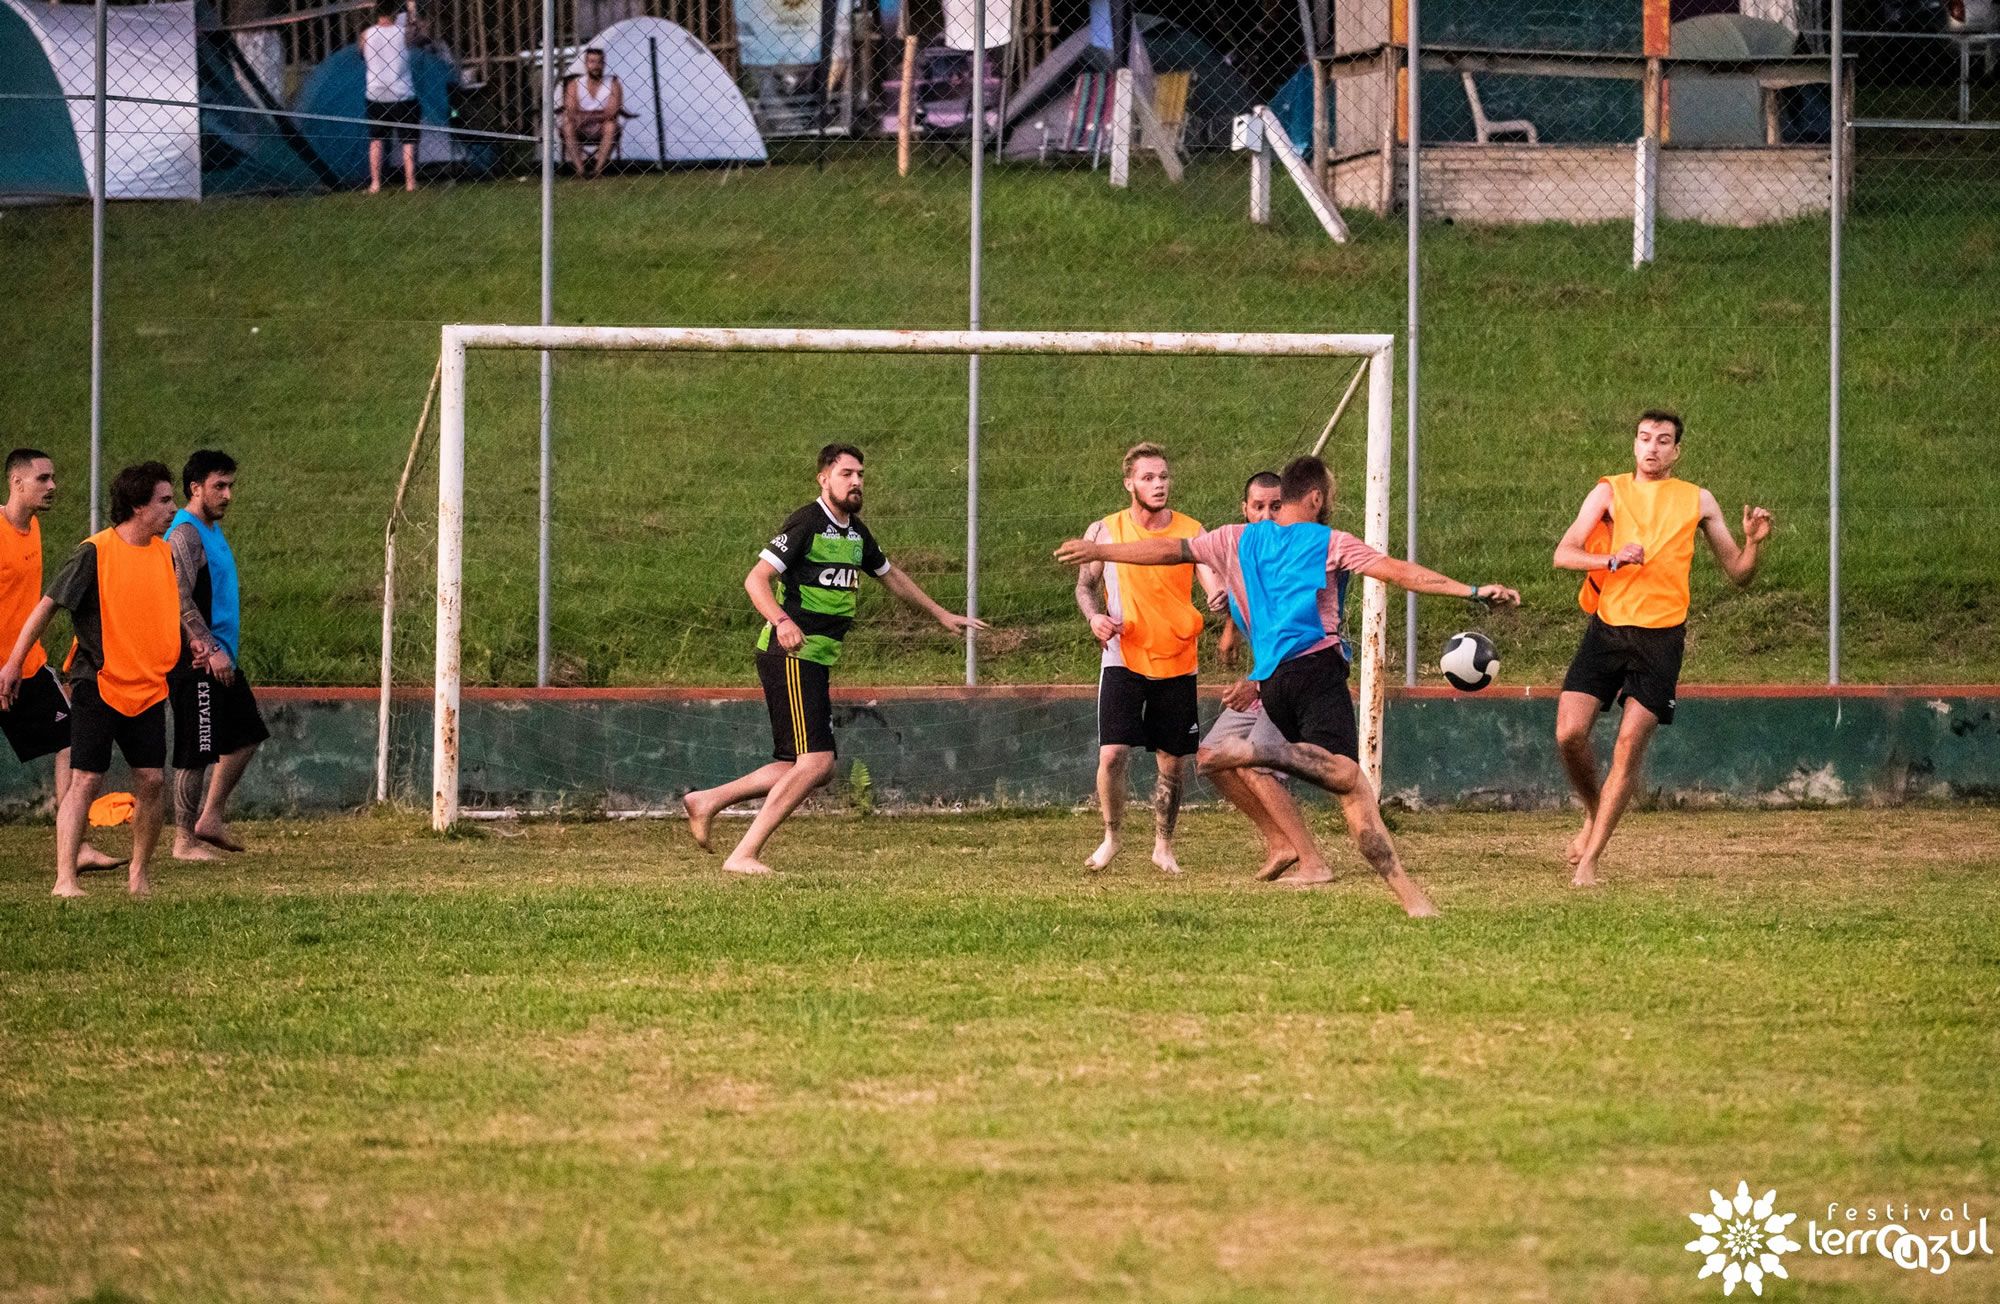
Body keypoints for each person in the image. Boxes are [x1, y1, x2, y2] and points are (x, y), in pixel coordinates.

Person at [1057, 455, 1520, 917]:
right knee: (1348, 780)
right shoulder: (1330, 541)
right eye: (1330, 495)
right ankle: (1266, 755)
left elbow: (1169, 551)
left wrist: (1101, 552)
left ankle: (1411, 900)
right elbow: (1399, 572)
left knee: (1347, 785)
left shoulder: (1236, 538)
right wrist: (1472, 591)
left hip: (1272, 681)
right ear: (1316, 498)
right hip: (1316, 671)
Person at [682, 444, 987, 874]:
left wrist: (940, 614)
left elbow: (891, 576)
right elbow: (756, 579)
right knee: (818, 762)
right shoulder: (807, 522)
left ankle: (707, 800)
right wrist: (782, 620)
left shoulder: (855, 533)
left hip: (815, 659)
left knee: (803, 766)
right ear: (824, 478)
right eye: (846, 474)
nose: (856, 481)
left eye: (860, 474)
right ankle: (743, 854)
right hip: (791, 655)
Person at [1553, 410, 1773, 887]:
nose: (1651, 447)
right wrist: (1612, 558)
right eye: (1644, 438)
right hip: (1607, 631)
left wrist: (1753, 543)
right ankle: (1593, 810)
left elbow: (1738, 573)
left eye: (1663, 440)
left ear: (1677, 451)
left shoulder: (1698, 500)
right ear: (1635, 444)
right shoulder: (1609, 491)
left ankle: (1590, 861)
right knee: (1569, 734)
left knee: (1628, 745)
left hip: (1661, 640)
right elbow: (1563, 553)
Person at [0, 463, 182, 898]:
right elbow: (46, 608)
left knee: (153, 780)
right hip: (98, 683)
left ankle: (138, 874)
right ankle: (65, 879)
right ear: (138, 507)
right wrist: (14, 662)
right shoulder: (95, 552)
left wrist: (192, 643)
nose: (174, 508)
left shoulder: (163, 553)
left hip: (148, 686)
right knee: (86, 778)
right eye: (164, 500)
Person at [1072, 442, 1221, 875]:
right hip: (1123, 655)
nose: (1159, 485)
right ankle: (1112, 836)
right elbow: (1084, 586)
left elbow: (1211, 577)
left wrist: (1218, 596)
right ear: (1129, 484)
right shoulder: (1105, 530)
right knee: (1112, 754)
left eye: (1163, 477)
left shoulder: (1192, 530)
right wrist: (1095, 617)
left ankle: (1163, 846)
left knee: (1172, 762)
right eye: (1148, 478)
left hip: (1177, 659)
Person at [0, 449, 123, 874]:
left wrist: (17, 661)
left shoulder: (31, 526)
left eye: (53, 477)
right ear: (16, 483)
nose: (53, 486)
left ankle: (77, 845)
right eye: (43, 479)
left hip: (27, 667)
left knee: (72, 741)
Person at [1200, 470, 1318, 881]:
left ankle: (1313, 861)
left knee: (1255, 764)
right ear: (1244, 510)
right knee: (1211, 758)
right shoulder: (1244, 551)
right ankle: (1280, 842)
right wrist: (1230, 629)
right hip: (1265, 677)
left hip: (1294, 678)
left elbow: (1294, 631)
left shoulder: (1294, 557)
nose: (1267, 515)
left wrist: (1254, 684)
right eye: (1259, 507)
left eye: (1276, 506)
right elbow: (1246, 598)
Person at [167, 450, 268, 863]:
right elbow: (177, 598)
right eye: (219, 486)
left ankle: (209, 819)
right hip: (196, 662)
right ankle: (183, 842)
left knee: (247, 735)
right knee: (195, 751)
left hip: (222, 658)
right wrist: (207, 649)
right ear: (195, 488)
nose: (228, 495)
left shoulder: (212, 529)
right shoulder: (184, 533)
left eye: (230, 486)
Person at [361, 0, 423, 194]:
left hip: (376, 93)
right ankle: (410, 182)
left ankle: (375, 184)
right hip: (402, 93)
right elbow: (418, 35)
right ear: (395, 12)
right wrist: (412, 10)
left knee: (376, 139)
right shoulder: (402, 33)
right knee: (408, 140)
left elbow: (361, 53)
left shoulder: (366, 35)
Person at [561, 48, 624, 179]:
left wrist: (585, 116)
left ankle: (597, 171)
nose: (596, 66)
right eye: (592, 62)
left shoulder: (613, 84)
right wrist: (599, 115)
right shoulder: (575, 84)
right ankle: (581, 171)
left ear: (604, 64)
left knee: (611, 126)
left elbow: (612, 111)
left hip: (602, 126)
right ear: (586, 64)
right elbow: (571, 110)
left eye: (600, 62)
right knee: (568, 126)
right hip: (581, 125)